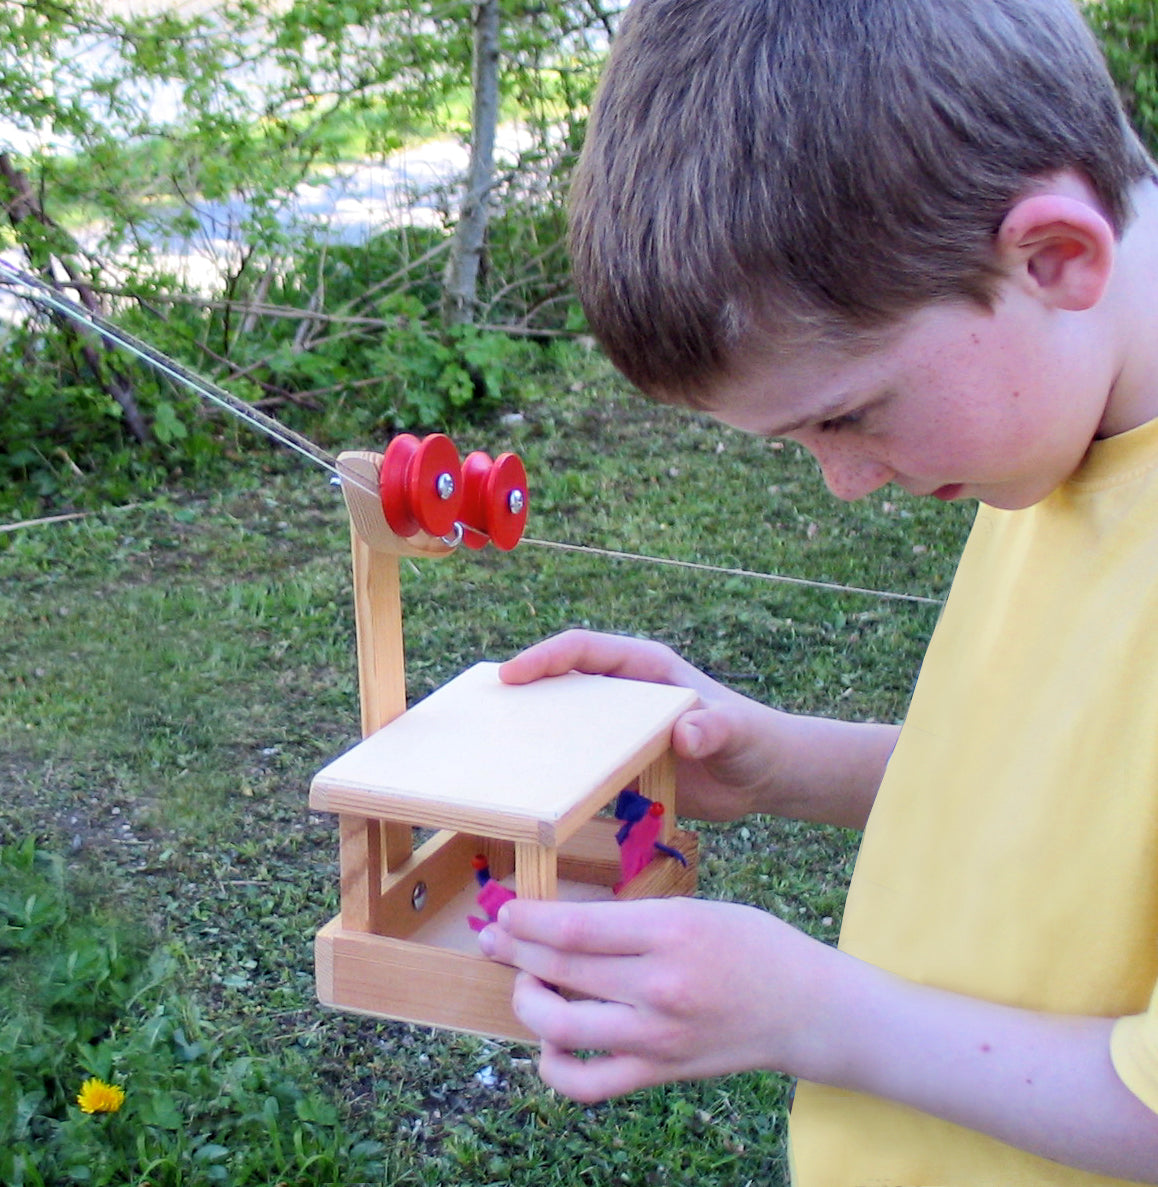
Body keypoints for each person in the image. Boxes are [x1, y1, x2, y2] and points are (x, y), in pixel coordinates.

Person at [474, 0, 1158, 1182]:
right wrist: (786, 760)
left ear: (1053, 257)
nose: (845, 480)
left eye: (847, 411)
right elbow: (1076, 803)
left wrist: (813, 1014)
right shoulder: (1057, 417)